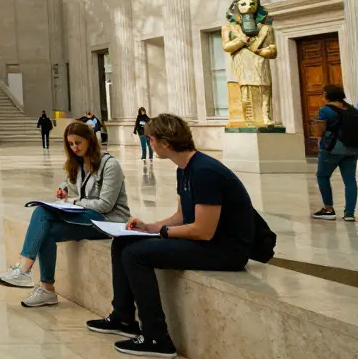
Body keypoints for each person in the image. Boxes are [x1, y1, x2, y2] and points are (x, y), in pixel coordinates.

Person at [86, 113, 256, 358]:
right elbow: (181, 215)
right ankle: (123, 318)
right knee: (124, 241)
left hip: (225, 251)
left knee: (136, 254)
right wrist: (149, 227)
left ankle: (157, 338)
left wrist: (164, 233)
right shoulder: (185, 169)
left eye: (151, 140)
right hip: (207, 242)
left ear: (165, 142)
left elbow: (203, 231)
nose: (150, 144)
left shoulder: (205, 171)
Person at [0, 121, 129, 307]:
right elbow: (73, 184)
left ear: (90, 140)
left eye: (78, 143)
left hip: (109, 221)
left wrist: (72, 201)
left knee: (42, 211)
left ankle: (23, 270)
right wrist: (63, 188)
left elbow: (105, 205)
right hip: (89, 217)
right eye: (71, 144)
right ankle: (47, 290)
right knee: (47, 234)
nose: (75, 147)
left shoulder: (110, 165)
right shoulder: (81, 164)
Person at [312, 84, 358, 221]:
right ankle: (349, 213)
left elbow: (320, 131)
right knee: (350, 180)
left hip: (333, 149)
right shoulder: (351, 109)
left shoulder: (325, 110)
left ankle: (328, 209)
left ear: (327, 95)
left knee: (322, 176)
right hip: (353, 149)